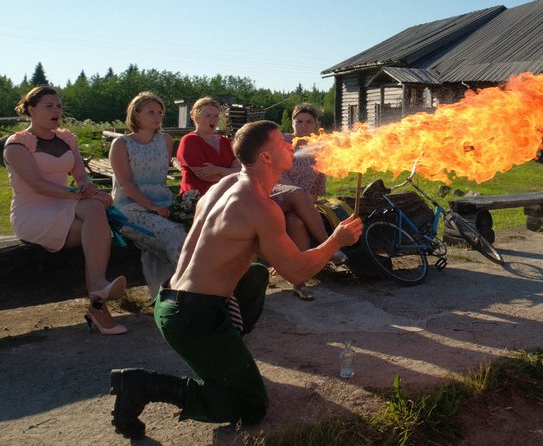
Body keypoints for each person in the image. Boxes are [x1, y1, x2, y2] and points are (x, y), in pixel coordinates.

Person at [108, 120, 363, 439]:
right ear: (266, 157)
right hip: (193, 318)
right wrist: (335, 241)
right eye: (281, 143)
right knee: (250, 406)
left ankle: (229, 347)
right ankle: (141, 385)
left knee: (255, 274)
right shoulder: (259, 206)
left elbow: (233, 246)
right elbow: (297, 272)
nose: (291, 145)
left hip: (172, 300)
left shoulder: (224, 186)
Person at [4, 86, 127, 335]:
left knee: (95, 213)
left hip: (65, 206)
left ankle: (97, 293)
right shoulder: (16, 145)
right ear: (31, 110)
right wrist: (78, 194)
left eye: (59, 106)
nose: (56, 111)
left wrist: (91, 190)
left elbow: (81, 176)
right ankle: (98, 303)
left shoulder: (67, 139)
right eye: (49, 106)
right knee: (97, 231)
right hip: (32, 212)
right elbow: (38, 185)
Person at [109, 92, 187, 297]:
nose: (157, 116)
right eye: (150, 111)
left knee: (200, 230)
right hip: (130, 207)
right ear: (136, 114)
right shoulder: (121, 144)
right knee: (175, 235)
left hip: (164, 202)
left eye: (160, 112)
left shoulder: (166, 140)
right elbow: (125, 184)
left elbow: (170, 165)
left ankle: (211, 285)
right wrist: (150, 206)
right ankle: (187, 292)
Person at [270, 103, 346, 301]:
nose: (303, 126)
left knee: (297, 222)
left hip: (300, 205)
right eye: (299, 121)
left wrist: (307, 203)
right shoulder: (283, 141)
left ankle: (299, 282)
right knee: (297, 194)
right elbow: (277, 173)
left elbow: (317, 186)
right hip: (276, 197)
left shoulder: (320, 149)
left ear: (315, 124)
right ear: (292, 122)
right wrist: (298, 194)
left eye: (308, 122)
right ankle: (329, 246)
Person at [176, 97, 239, 196]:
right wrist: (231, 174)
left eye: (216, 115)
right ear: (196, 118)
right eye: (208, 115)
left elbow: (240, 170)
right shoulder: (189, 141)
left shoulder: (226, 142)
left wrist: (217, 169)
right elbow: (205, 176)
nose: (213, 119)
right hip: (197, 196)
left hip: (226, 195)